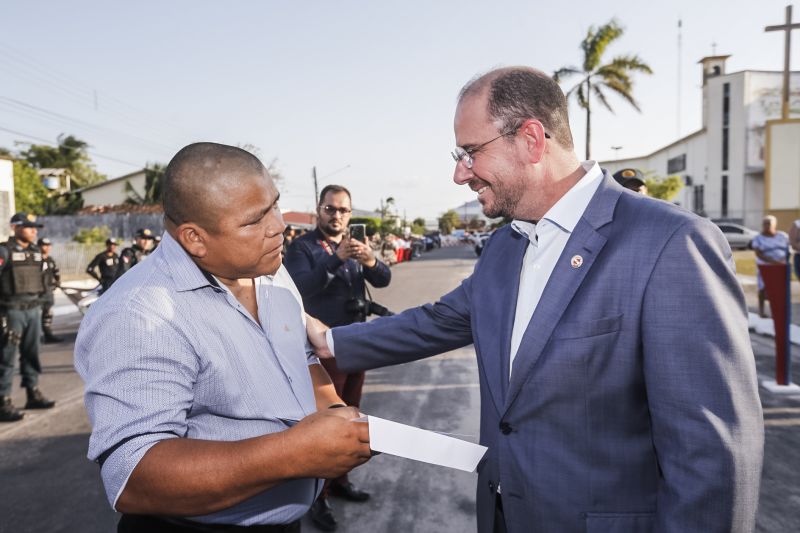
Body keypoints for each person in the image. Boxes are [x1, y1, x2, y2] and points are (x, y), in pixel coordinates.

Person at [306, 67, 763, 533]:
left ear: (530, 139)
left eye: (470, 153)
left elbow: (710, 454)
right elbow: (438, 320)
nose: (459, 172)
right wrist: (328, 341)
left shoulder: (670, 243)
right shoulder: (505, 246)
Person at [74, 142, 370, 532]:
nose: (279, 226)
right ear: (195, 238)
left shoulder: (270, 268)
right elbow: (135, 476)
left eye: (275, 205)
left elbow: (301, 359)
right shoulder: (139, 314)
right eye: (254, 220)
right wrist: (295, 454)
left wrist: (334, 415)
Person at [285, 184, 391, 532]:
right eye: (330, 209)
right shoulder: (302, 247)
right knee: (327, 425)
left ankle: (340, 482)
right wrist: (337, 258)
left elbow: (384, 278)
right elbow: (300, 289)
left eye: (343, 210)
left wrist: (370, 258)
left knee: (352, 419)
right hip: (323, 350)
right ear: (319, 209)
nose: (336, 216)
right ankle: (319, 497)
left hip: (355, 344)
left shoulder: (357, 245)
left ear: (350, 213)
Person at [0, 213, 56, 422]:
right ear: (15, 227)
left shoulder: (35, 252)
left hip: (33, 310)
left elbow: (43, 281)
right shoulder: (4, 251)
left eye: (36, 227)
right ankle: (3, 401)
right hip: (11, 310)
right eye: (29, 227)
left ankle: (32, 393)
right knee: (6, 357)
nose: (34, 231)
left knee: (32, 353)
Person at [752, 214, 790, 318]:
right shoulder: (758, 238)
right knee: (763, 288)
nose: (766, 225)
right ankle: (761, 310)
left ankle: (778, 311)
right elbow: (758, 253)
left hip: (781, 266)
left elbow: (788, 251)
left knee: (779, 289)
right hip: (765, 266)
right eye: (764, 223)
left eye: (769, 223)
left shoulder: (783, 236)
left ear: (774, 225)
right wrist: (773, 262)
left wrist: (782, 261)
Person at [38, 237, 62, 343]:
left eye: (48, 245)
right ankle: (34, 337)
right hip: (37, 293)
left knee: (47, 314)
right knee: (35, 315)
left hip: (48, 292)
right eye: (44, 245)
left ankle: (48, 335)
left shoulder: (50, 260)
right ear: (39, 246)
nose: (47, 247)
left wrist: (57, 282)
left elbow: (56, 273)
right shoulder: (35, 259)